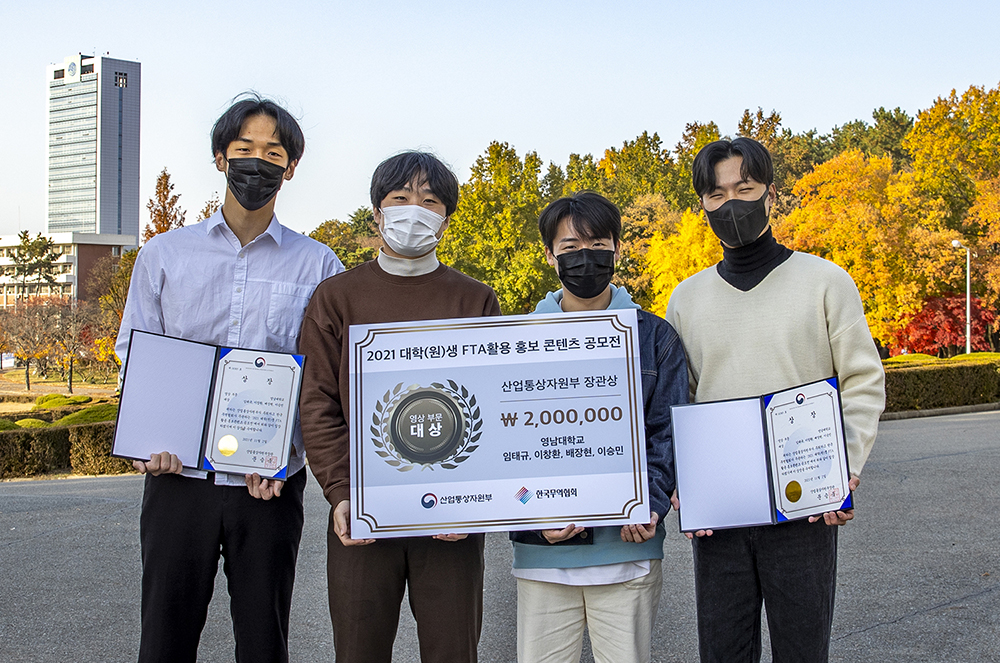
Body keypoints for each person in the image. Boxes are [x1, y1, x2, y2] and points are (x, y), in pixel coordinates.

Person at [116, 93, 344, 663]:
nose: (257, 164)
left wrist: (283, 455)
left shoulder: (318, 266)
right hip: (177, 481)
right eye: (244, 149)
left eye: (272, 154)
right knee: (164, 642)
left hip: (266, 489)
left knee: (264, 644)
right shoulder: (165, 255)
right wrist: (150, 441)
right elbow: (134, 352)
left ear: (290, 169)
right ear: (221, 156)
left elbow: (326, 378)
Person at [665, 137, 885, 662]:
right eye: (717, 195)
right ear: (702, 205)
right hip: (721, 512)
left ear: (771, 195)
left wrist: (843, 467)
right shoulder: (685, 299)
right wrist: (682, 481)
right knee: (723, 651)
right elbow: (680, 401)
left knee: (802, 650)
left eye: (745, 187)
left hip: (805, 504)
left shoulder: (825, 282)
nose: (732, 203)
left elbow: (862, 380)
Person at [298, 151, 501, 663]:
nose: (415, 209)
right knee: (359, 650)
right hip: (363, 512)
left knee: (453, 650)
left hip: (451, 518)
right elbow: (317, 400)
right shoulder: (336, 297)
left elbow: (494, 406)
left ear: (446, 219)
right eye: (400, 199)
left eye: (429, 201)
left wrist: (474, 499)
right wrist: (342, 491)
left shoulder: (474, 300)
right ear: (376, 213)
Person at [509, 192, 688, 663]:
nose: (584, 258)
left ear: (617, 250)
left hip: (628, 551)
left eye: (597, 244)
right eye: (569, 248)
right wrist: (533, 515)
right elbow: (507, 446)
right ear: (549, 256)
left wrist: (648, 503)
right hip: (543, 558)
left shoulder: (654, 336)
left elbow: (667, 432)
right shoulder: (516, 341)